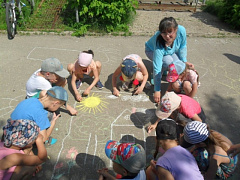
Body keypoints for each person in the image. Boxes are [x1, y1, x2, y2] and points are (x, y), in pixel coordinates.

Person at [145, 17, 193, 104]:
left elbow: (182, 47)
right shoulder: (159, 42)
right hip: (151, 50)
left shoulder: (181, 31)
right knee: (168, 61)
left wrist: (184, 62)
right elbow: (157, 67)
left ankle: (165, 71)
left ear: (176, 29)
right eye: (164, 33)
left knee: (178, 64)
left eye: (170, 32)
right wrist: (157, 90)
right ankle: (157, 75)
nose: (167, 36)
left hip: (169, 51)